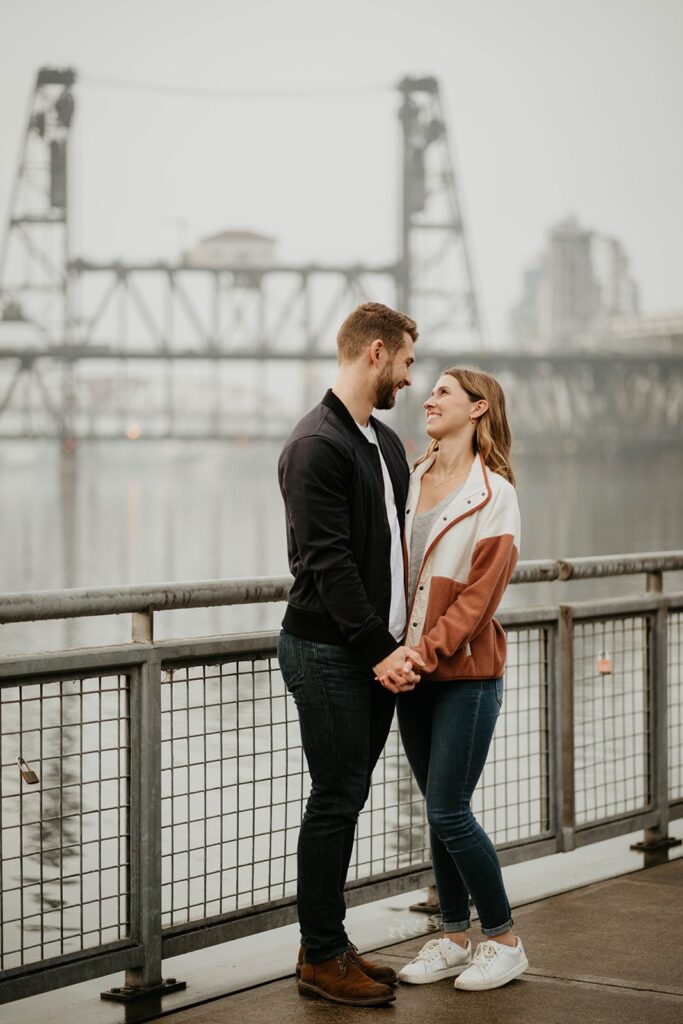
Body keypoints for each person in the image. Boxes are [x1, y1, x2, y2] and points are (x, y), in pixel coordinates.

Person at [277, 302, 424, 1007]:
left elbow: (392, 553)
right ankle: (320, 959)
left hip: (371, 656)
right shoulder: (316, 444)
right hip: (329, 651)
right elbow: (328, 564)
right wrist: (379, 651)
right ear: (374, 352)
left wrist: (394, 647)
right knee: (335, 799)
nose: (408, 374)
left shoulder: (384, 443)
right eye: (405, 361)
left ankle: (325, 942)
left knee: (348, 795)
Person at [380, 367, 528, 993]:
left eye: (443, 391)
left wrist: (424, 651)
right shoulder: (410, 478)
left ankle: (503, 938)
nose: (428, 399)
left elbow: (479, 598)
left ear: (478, 409)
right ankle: (452, 933)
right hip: (415, 672)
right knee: (438, 812)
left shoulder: (495, 494)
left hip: (464, 673)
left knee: (448, 808)